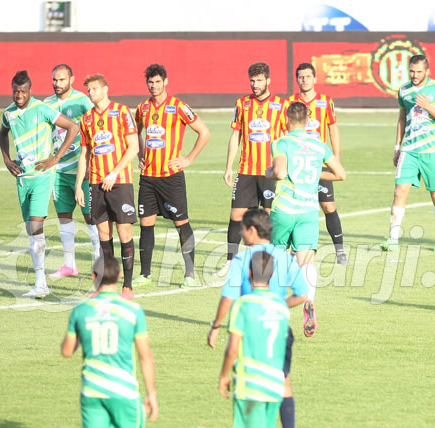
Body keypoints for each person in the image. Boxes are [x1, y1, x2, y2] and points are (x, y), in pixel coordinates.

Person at [61, 256, 158, 428]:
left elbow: (67, 351)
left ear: (94, 277)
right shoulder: (133, 311)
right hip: (124, 391)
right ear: (117, 279)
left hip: (92, 390)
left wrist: (79, 333)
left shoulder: (81, 311)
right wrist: (151, 393)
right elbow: (145, 356)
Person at [208, 209, 308, 428]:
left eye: (243, 229)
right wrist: (279, 307)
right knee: (284, 383)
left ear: (253, 230)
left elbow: (229, 297)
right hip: (279, 329)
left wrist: (216, 325)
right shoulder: (285, 258)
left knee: (252, 387)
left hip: (250, 330)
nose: (242, 233)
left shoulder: (243, 260)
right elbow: (302, 294)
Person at [218, 250, 291, 428]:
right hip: (274, 383)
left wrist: (224, 376)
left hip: (251, 383)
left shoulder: (244, 305)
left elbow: (232, 349)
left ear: (249, 274)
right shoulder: (281, 308)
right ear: (272, 277)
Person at [267, 101, 346, 337]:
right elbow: (340, 174)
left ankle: (275, 313)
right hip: (308, 212)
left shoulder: (280, 143)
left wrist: (269, 172)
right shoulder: (319, 145)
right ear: (307, 120)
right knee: (307, 262)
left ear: (286, 119)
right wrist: (313, 172)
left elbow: (280, 172)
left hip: (283, 210)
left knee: (278, 260)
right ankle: (309, 302)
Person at [0, 70, 79, 298]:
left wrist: (55, 158)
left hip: (42, 176)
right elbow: (2, 134)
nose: (19, 95)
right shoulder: (9, 113)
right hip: (22, 180)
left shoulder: (42, 109)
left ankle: (41, 282)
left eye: (23, 91)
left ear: (30, 91)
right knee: (32, 234)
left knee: (36, 227)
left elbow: (73, 127)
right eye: (16, 91)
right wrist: (7, 160)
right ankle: (40, 282)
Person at [133, 63, 210, 288]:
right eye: (151, 82)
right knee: (146, 224)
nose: (154, 86)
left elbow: (204, 132)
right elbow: (135, 132)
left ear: (165, 82)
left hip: (171, 177)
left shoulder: (178, 106)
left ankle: (189, 275)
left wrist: (188, 159)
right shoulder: (142, 109)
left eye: (158, 82)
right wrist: (140, 154)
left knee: (181, 223)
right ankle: (145, 274)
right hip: (148, 178)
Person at [215, 62, 286, 277]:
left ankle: (265, 262)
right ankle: (230, 261)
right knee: (236, 214)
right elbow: (236, 135)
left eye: (259, 80)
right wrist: (229, 166)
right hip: (246, 170)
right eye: (252, 81)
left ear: (268, 81)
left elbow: (286, 139)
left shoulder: (281, 106)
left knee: (266, 217)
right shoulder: (242, 103)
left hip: (269, 172)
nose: (255, 84)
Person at [75, 73, 140, 299]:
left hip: (120, 182)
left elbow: (133, 148)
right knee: (103, 234)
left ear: (105, 89)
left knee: (124, 232)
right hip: (95, 185)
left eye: (94, 89)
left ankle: (128, 286)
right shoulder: (86, 120)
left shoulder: (122, 112)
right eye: (88, 90)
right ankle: (105, 285)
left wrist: (114, 172)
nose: (90, 93)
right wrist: (78, 186)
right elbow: (84, 154)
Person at [380, 54, 435, 253]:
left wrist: (428, 106)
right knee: (399, 192)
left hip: (432, 151)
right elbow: (402, 119)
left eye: (419, 71)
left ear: (427, 71)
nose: (415, 75)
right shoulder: (404, 91)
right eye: (412, 71)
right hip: (409, 150)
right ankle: (393, 239)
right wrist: (397, 147)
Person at [285, 63, 348, 264]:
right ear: (297, 80)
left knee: (328, 206)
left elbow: (333, 129)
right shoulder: (289, 102)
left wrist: (335, 159)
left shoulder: (325, 102)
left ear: (315, 79)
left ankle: (340, 251)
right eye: (301, 77)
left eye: (308, 76)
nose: (304, 80)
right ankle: (293, 250)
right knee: (293, 206)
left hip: (318, 164)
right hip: (296, 163)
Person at [44, 64, 101, 278]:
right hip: (58, 171)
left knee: (91, 217)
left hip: (82, 169)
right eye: (54, 80)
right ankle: (70, 265)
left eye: (61, 79)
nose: (57, 84)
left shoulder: (82, 101)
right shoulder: (47, 103)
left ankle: (98, 264)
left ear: (71, 79)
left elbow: (95, 130)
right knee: (64, 217)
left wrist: (90, 163)